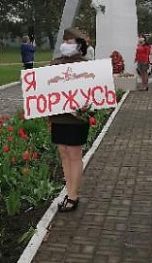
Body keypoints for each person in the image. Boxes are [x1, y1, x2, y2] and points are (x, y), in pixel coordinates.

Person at [48, 27, 90, 213]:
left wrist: (83, 106)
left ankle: (73, 196)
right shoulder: (55, 64)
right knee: (64, 154)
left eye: (70, 42)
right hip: (59, 117)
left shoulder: (87, 65)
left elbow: (93, 93)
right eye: (65, 41)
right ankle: (69, 190)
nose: (66, 45)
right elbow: (46, 90)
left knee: (74, 155)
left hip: (77, 119)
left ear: (79, 45)